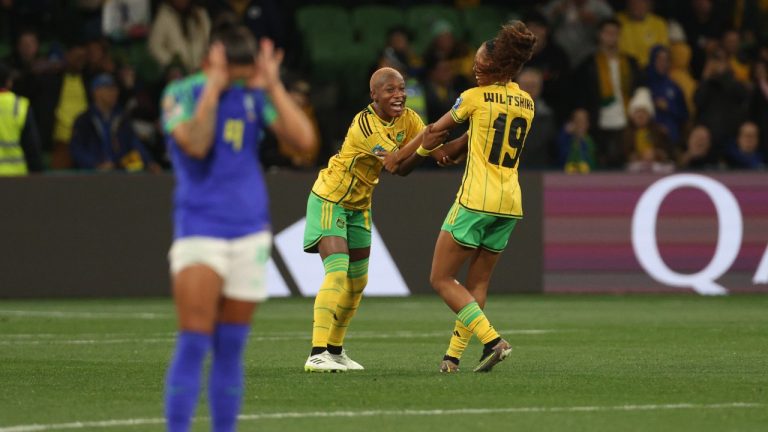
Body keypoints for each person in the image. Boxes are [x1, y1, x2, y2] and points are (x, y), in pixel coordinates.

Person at [161, 25, 315, 431]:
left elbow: (303, 143)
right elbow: (195, 143)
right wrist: (212, 90)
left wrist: (275, 88)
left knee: (231, 348)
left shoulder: (254, 94)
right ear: (214, 59)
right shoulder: (182, 93)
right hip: (200, 230)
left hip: (250, 231)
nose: (243, 78)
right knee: (194, 342)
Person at [384, 21, 537, 373]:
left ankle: (493, 341)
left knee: (440, 279)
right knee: (477, 283)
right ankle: (452, 358)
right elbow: (472, 140)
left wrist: (400, 158)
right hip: (511, 203)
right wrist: (450, 151)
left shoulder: (473, 97)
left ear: (491, 67)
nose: (473, 68)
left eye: (478, 64)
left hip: (475, 200)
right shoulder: (526, 102)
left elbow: (432, 131)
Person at [301, 67, 446, 372]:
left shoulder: (408, 118)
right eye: (390, 90)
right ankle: (316, 352)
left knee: (357, 282)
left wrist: (468, 138)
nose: (399, 95)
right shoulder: (366, 124)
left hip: (359, 206)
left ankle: (335, 351)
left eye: (402, 89)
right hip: (331, 198)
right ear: (374, 95)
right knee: (338, 272)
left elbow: (438, 153)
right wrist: (425, 140)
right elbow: (395, 162)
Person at [572, 18, 641, 169]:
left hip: (626, 121)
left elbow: (639, 89)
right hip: (599, 122)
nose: (611, 36)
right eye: (607, 32)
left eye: (615, 33)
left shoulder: (631, 63)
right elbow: (581, 92)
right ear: (599, 35)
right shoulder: (588, 64)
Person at [69, 73, 158, 172]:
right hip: (92, 176)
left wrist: (149, 162)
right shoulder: (84, 120)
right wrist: (96, 165)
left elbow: (134, 143)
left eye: (115, 89)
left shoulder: (122, 119)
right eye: (109, 89)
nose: (114, 93)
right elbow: (77, 150)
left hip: (119, 175)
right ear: (96, 92)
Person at [0, 62, 43, 175]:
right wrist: (37, 173)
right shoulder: (19, 106)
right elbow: (32, 147)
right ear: (9, 82)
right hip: (16, 177)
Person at [148, 0, 211, 72]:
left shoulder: (200, 14)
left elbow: (209, 41)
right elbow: (154, 47)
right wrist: (173, 62)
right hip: (177, 74)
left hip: (202, 71)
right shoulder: (164, 17)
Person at [558, 108, 596, 173]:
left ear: (587, 124)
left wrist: (581, 141)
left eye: (583, 121)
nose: (580, 124)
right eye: (577, 121)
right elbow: (561, 154)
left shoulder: (590, 142)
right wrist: (564, 133)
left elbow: (592, 163)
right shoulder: (566, 139)